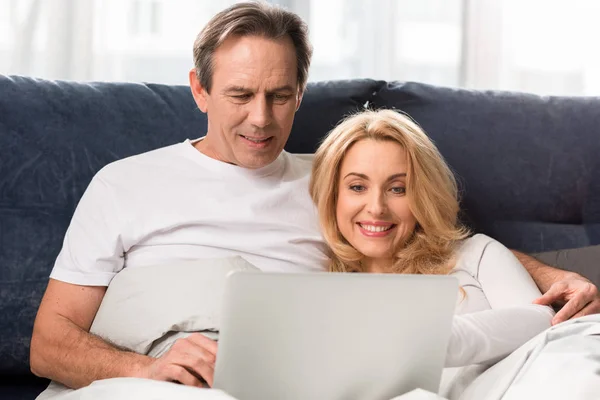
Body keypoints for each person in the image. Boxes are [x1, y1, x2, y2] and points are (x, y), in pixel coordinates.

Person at [29, 1, 600, 393]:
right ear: (199, 90)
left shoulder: (337, 183)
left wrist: (551, 279)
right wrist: (146, 368)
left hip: (291, 375)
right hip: (162, 370)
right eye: (240, 94)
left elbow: (438, 238)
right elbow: (49, 344)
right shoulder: (123, 183)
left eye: (280, 96)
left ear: (301, 93)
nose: (261, 118)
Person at [308, 108, 556, 368]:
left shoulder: (476, 254)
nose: (376, 207)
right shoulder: (319, 285)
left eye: (397, 189)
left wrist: (433, 341)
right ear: (332, 196)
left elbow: (542, 322)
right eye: (357, 187)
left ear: (423, 196)